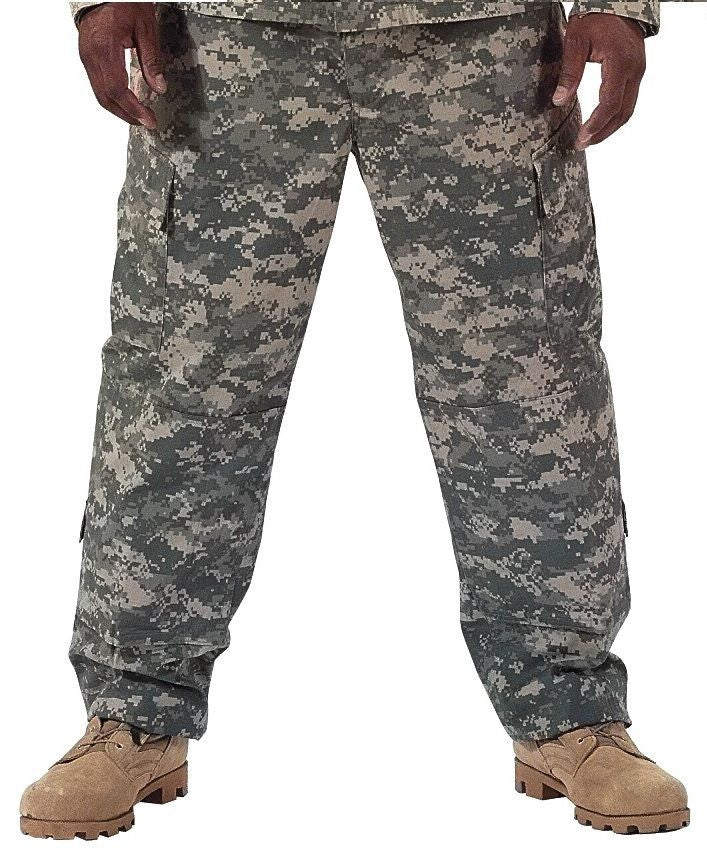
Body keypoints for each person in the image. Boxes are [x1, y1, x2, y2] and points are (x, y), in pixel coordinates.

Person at [20, 0, 689, 839]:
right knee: (180, 389)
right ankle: (132, 714)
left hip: (483, 43)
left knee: (531, 389)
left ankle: (569, 710)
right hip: (224, 42)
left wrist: (615, 5)